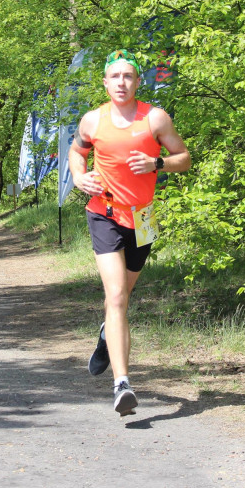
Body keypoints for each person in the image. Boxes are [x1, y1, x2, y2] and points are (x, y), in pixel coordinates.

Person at [68, 49, 190, 416]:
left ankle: (108, 332)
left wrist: (158, 163)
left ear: (138, 81)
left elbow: (183, 158)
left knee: (120, 300)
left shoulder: (155, 118)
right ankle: (122, 383)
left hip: (142, 219)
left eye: (128, 76)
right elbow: (77, 152)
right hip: (103, 214)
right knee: (117, 294)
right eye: (115, 76)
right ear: (105, 82)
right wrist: (78, 176)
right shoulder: (93, 120)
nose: (121, 83)